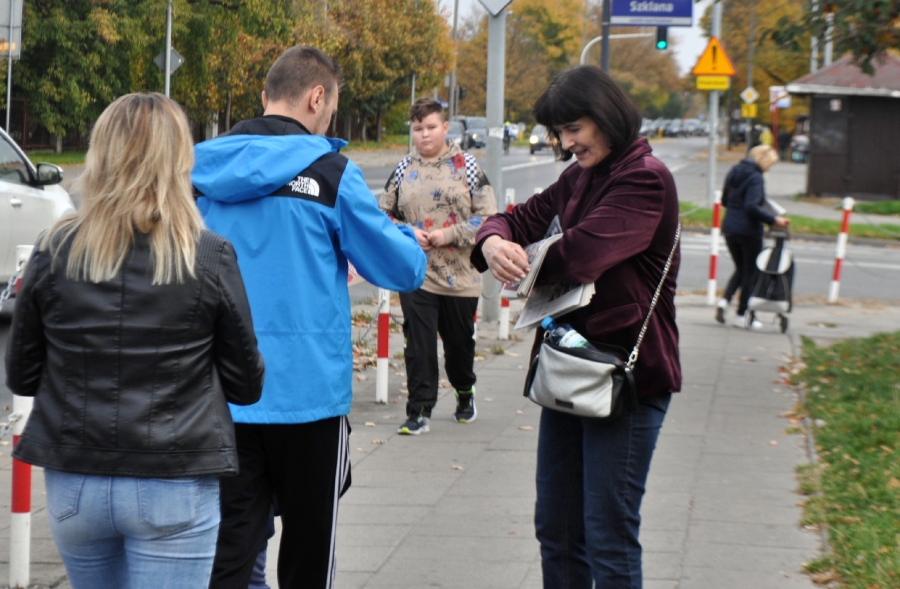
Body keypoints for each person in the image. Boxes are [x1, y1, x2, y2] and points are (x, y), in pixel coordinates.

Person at [5, 93, 265, 589]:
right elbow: (246, 385)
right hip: (173, 476)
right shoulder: (207, 255)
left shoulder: (55, 249)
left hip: (75, 479)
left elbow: (21, 374)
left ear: (99, 155)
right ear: (178, 159)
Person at [190, 46, 426, 589]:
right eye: (332, 109)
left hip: (220, 391)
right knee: (309, 553)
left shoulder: (200, 170)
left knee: (228, 552)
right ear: (317, 98)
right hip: (307, 394)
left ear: (265, 96)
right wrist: (404, 236)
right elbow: (402, 268)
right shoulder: (330, 173)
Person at [471, 65, 681, 588]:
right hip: (569, 368)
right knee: (558, 530)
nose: (566, 144)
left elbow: (582, 254)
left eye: (574, 129)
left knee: (608, 535)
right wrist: (492, 242)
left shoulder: (646, 179)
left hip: (625, 380)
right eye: (559, 132)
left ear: (606, 117)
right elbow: (515, 218)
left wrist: (520, 259)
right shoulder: (579, 177)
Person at [380, 97, 497, 435]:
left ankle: (464, 390)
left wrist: (448, 234)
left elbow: (489, 218)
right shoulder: (403, 169)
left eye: (431, 127)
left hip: (460, 276)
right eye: (418, 129)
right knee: (419, 345)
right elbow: (382, 215)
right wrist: (408, 232)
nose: (425, 134)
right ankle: (419, 410)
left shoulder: (468, 167)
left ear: (445, 128)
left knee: (459, 346)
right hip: (417, 274)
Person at [715, 144, 790, 329]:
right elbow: (751, 207)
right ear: (763, 160)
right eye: (770, 164)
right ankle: (742, 315)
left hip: (730, 227)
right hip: (749, 231)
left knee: (741, 268)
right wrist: (774, 219)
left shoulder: (734, 171)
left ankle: (724, 301)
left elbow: (724, 200)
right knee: (751, 273)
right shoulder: (756, 177)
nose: (768, 169)